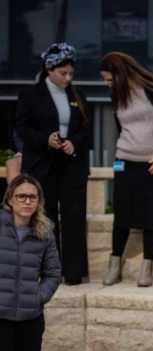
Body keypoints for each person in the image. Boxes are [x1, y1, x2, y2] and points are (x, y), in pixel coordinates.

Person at [99, 52, 153, 288]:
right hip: (124, 160)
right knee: (122, 214)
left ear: (121, 72)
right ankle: (114, 265)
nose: (108, 84)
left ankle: (146, 269)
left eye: (110, 79)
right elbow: (121, 126)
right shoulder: (117, 93)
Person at [14, 43, 91, 285]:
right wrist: (46, 140)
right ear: (49, 70)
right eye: (62, 73)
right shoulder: (30, 95)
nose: (68, 78)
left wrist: (73, 143)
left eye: (71, 74)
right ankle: (48, 271)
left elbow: (87, 131)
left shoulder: (79, 95)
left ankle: (75, 273)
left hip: (72, 165)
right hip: (42, 165)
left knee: (75, 218)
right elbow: (22, 128)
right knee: (46, 220)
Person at [0, 175, 61, 351]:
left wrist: (38, 298)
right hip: (1, 319)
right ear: (10, 199)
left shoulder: (45, 232)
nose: (27, 201)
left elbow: (53, 273)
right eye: (21, 196)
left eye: (32, 197)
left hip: (30, 320)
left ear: (39, 201)